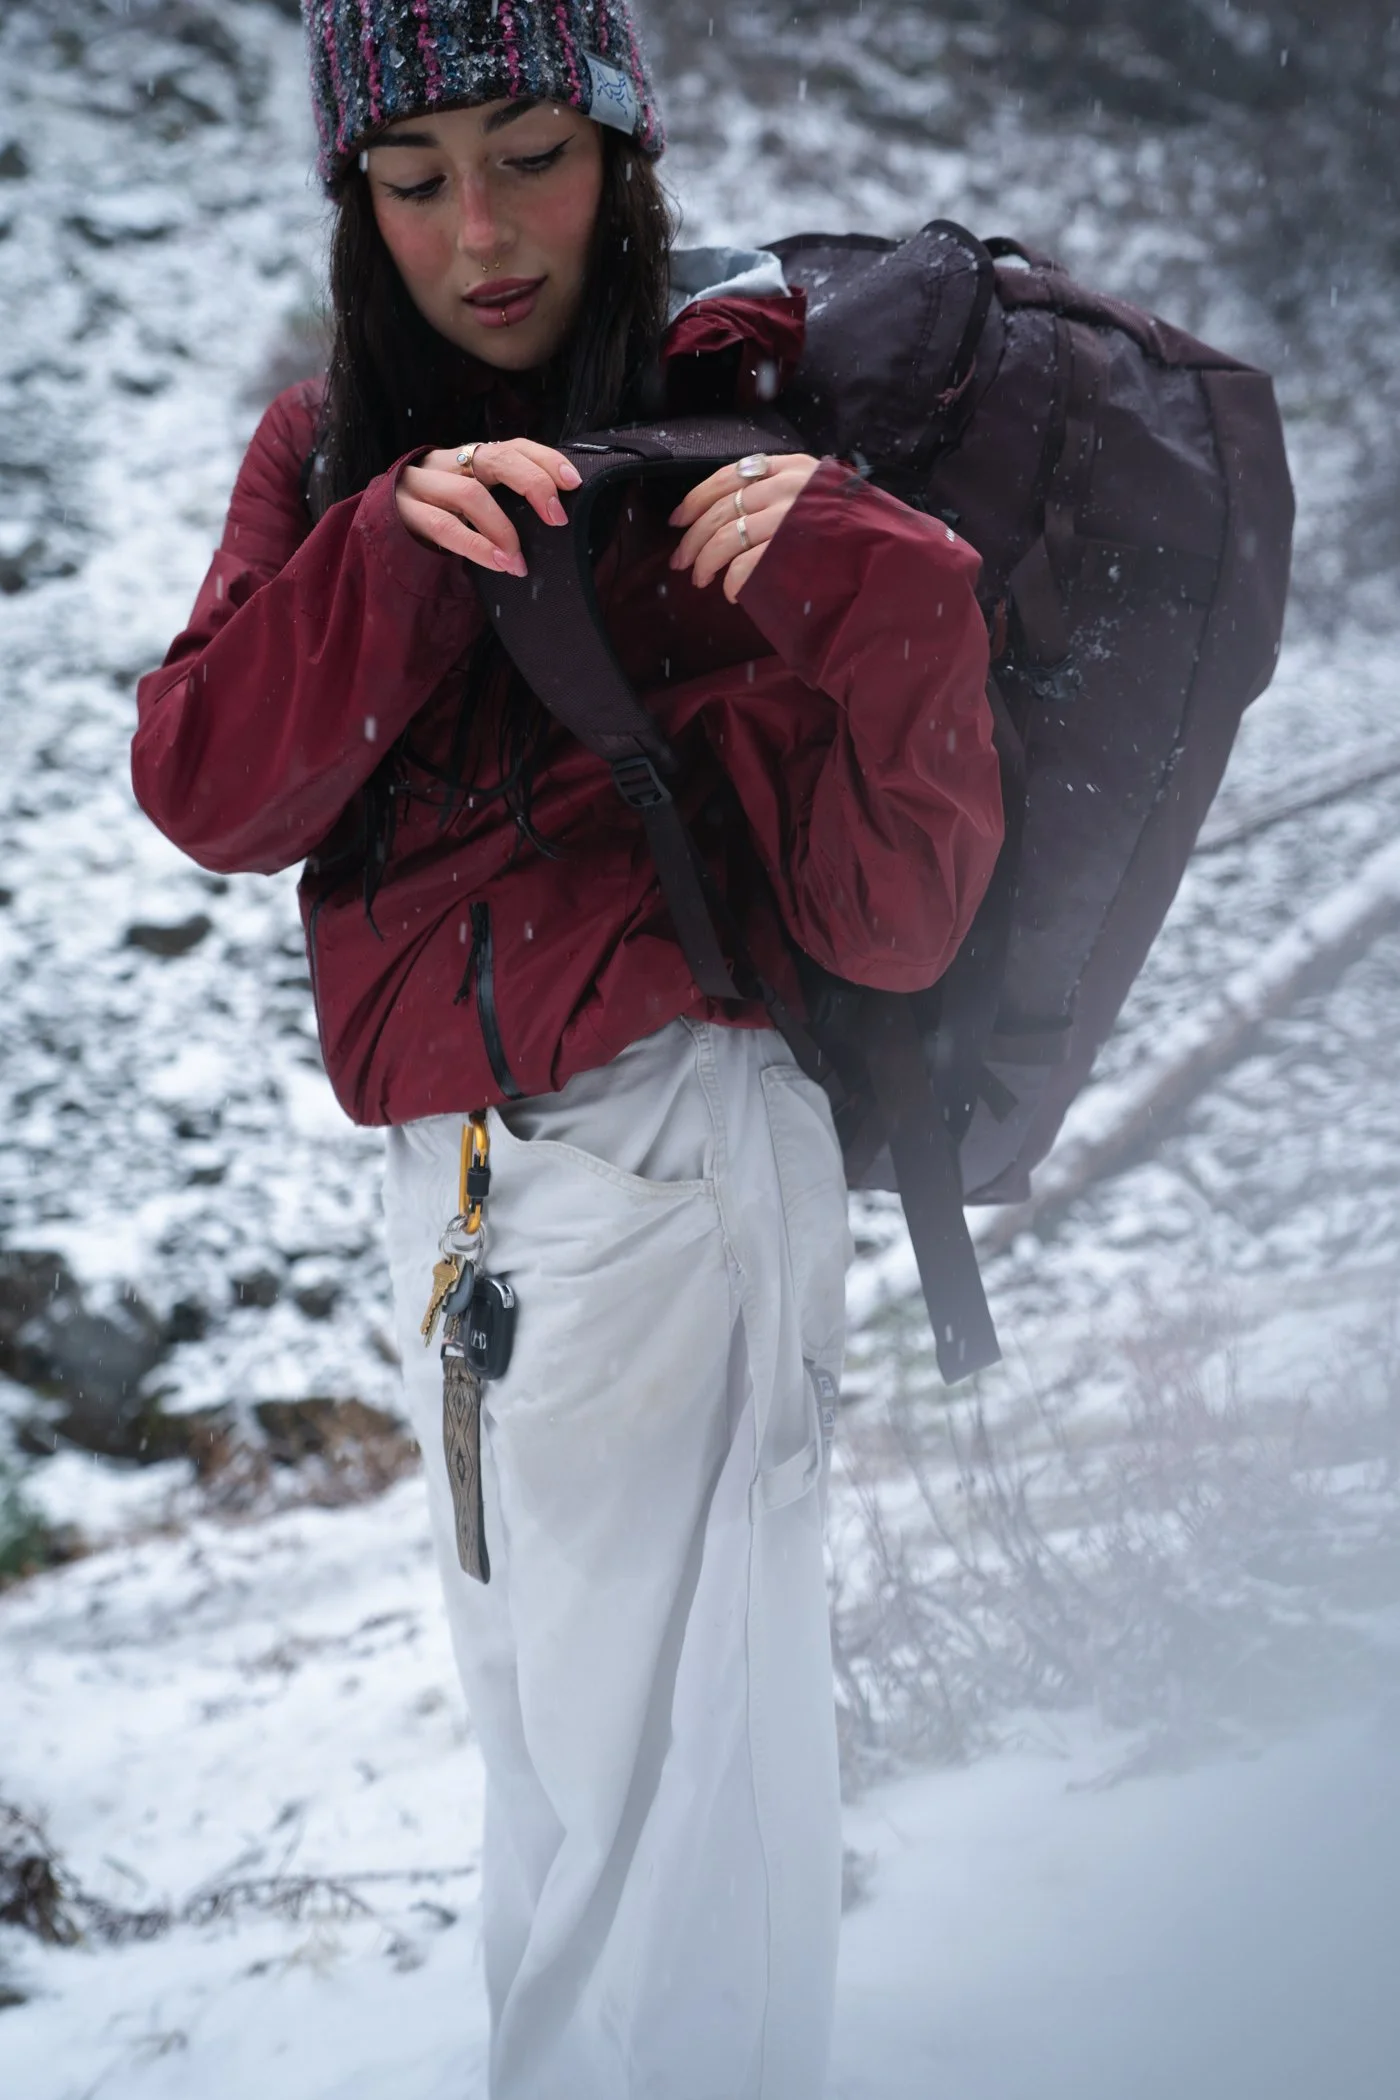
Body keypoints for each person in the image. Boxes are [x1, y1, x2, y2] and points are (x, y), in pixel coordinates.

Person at [131, 3, 1003, 2092]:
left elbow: (895, 915)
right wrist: (385, 554)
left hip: (675, 1157)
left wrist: (884, 588)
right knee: (559, 1785)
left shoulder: (743, 416)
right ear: (358, 210)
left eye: (528, 152)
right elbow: (210, 792)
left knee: (670, 1813)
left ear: (621, 148)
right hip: (457, 1207)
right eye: (413, 180)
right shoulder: (321, 452)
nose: (483, 230)